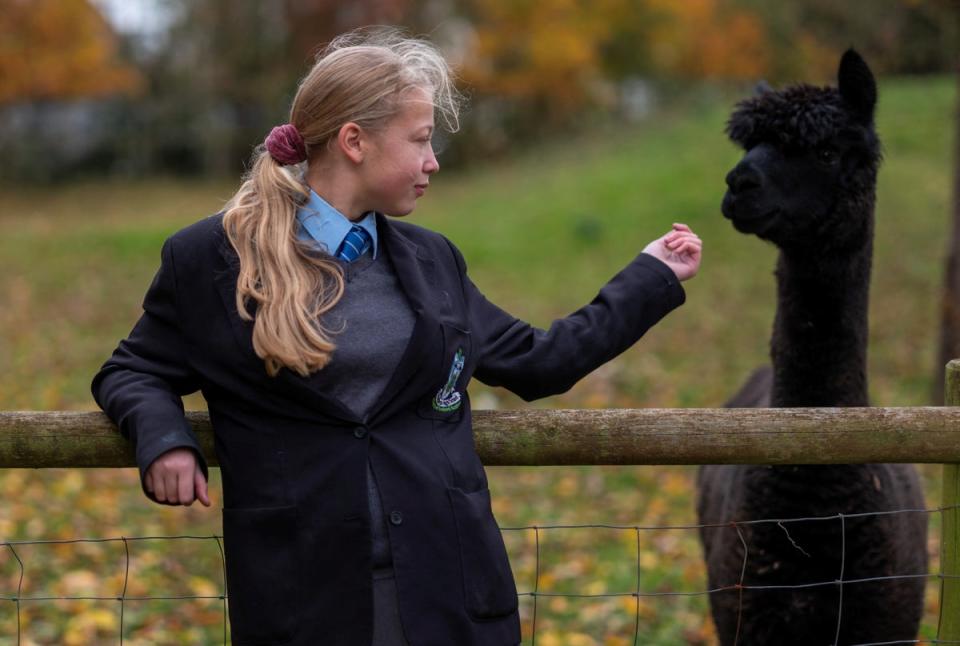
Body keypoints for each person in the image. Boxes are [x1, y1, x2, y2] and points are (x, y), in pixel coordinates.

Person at [92, 27, 702, 646]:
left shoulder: (434, 261)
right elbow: (132, 370)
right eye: (420, 140)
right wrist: (164, 441)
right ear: (355, 141)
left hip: (449, 591)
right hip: (304, 600)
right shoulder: (210, 259)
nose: (432, 161)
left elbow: (539, 362)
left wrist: (650, 277)